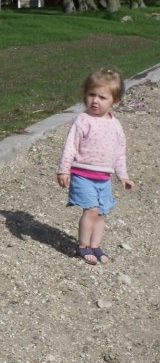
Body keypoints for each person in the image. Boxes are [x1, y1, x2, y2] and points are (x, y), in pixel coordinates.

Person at [57, 67, 134, 265]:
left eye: (102, 97)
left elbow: (119, 153)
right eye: (92, 95)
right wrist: (64, 169)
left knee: (101, 213)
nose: (95, 101)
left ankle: (96, 245)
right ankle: (83, 246)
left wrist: (123, 176)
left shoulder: (115, 126)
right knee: (91, 210)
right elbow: (70, 146)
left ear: (115, 101)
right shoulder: (83, 120)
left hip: (104, 178)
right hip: (83, 174)